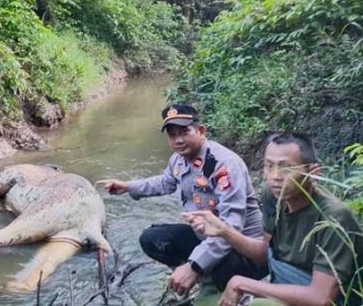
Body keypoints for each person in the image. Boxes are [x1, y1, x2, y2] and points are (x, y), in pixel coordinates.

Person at [97, 104, 266, 296]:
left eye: (184, 132)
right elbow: (164, 182)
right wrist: (128, 186)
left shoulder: (223, 165)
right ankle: (204, 274)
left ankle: (220, 282)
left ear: (201, 131)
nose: (178, 140)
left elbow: (231, 228)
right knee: (152, 238)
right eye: (172, 135)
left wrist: (194, 266)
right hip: (207, 237)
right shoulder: (178, 160)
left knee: (214, 264)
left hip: (243, 250)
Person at [183, 132, 363, 306]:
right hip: (286, 281)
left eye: (286, 168)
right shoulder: (273, 194)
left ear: (314, 172)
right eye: (269, 166)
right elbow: (264, 254)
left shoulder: (334, 216)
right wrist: (224, 230)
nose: (275, 176)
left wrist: (243, 284)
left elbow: (321, 298)